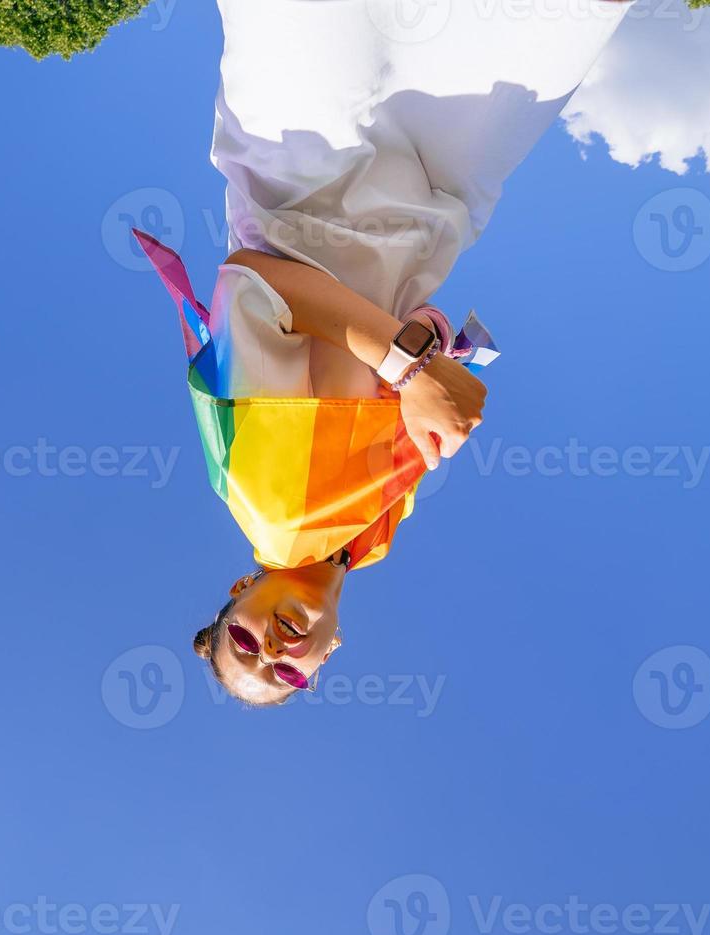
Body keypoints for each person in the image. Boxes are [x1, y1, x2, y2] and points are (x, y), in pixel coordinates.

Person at [141, 0, 634, 706]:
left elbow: (259, 281)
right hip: (440, 196)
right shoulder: (366, 540)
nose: (273, 650)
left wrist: (412, 368)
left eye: (243, 640)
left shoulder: (274, 511)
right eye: (282, 672)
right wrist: (434, 357)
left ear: (239, 591)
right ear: (324, 661)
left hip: (311, 155)